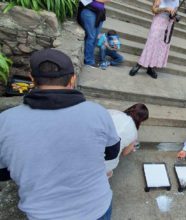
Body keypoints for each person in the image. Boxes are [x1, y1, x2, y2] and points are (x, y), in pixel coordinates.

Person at [0, 49, 120, 220]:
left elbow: (3, 172)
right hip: (97, 209)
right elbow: (112, 152)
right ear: (72, 79)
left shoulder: (5, 121)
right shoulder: (98, 113)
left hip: (43, 215)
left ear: (32, 78)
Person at [129, 0, 179, 79]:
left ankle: (150, 67)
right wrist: (165, 9)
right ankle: (139, 64)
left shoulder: (176, 1)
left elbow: (174, 13)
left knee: (160, 46)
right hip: (158, 21)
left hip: (168, 25)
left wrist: (174, 16)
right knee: (151, 43)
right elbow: (154, 10)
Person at [105, 103, 149, 178]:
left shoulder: (113, 112)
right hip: (106, 163)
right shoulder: (134, 133)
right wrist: (131, 146)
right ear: (141, 120)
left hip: (87, 146)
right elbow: (125, 153)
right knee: (108, 172)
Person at [78, 0, 110, 67]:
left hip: (100, 13)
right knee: (91, 36)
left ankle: (90, 59)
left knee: (95, 37)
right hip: (89, 10)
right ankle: (89, 61)